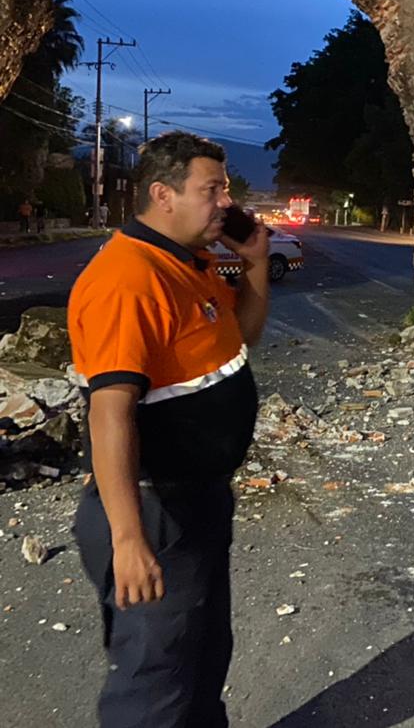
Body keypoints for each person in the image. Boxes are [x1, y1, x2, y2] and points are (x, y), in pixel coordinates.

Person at [68, 131, 270, 727]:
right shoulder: (127, 279)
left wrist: (255, 264)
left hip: (200, 498)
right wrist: (129, 539)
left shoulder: (188, 264)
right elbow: (110, 412)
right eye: (212, 191)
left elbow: (245, 334)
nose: (226, 204)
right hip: (154, 510)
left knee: (203, 657)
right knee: (155, 680)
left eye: (227, 189)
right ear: (163, 194)